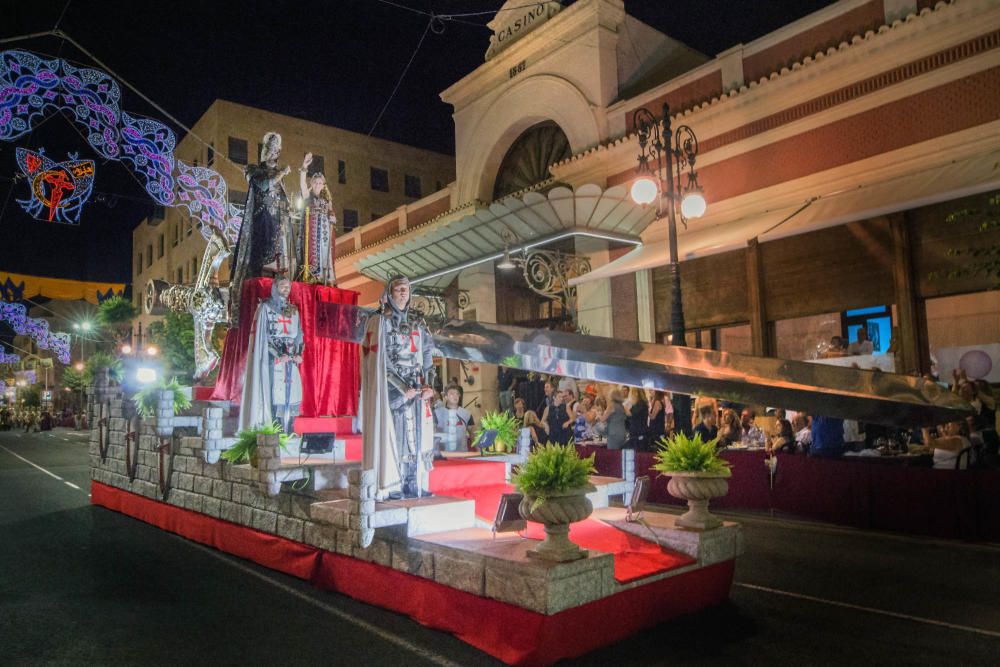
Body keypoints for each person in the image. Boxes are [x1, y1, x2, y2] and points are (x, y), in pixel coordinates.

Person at [362, 276, 436, 500]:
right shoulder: (379, 320)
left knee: (419, 437)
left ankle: (414, 482)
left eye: (406, 289)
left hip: (418, 386)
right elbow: (379, 359)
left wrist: (429, 385)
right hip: (393, 390)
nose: (403, 292)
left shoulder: (419, 323)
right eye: (398, 289)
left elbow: (427, 356)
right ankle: (395, 483)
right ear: (390, 292)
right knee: (398, 435)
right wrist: (402, 387)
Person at [229, 132, 297, 325]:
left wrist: (288, 209)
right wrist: (282, 173)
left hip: (277, 223)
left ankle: (277, 285)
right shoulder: (253, 169)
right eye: (269, 149)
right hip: (261, 222)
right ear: (264, 151)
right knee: (260, 260)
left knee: (279, 257)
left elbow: (283, 199)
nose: (272, 153)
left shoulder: (280, 176)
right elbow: (263, 185)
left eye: (275, 150)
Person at [239, 278, 305, 433]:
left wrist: (298, 353)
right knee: (274, 390)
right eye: (282, 286)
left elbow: (299, 335)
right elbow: (263, 337)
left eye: (288, 286)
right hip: (272, 359)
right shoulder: (265, 308)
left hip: (290, 358)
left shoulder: (293, 310)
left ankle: (289, 427)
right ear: (275, 288)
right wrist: (277, 355)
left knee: (292, 390)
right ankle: (274, 426)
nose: (286, 289)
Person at [298, 152, 337, 285]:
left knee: (326, 255)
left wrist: (331, 217)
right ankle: (312, 277)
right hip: (312, 236)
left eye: (320, 183)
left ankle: (326, 278)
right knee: (313, 257)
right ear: (312, 183)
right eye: (316, 182)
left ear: (323, 185)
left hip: (324, 237)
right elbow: (302, 183)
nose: (318, 184)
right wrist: (304, 167)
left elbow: (331, 217)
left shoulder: (326, 201)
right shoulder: (307, 197)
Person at [434, 383, 473, 453]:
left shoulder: (466, 414)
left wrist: (480, 451)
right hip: (443, 455)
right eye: (452, 394)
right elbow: (432, 434)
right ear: (445, 397)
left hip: (462, 455)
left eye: (457, 394)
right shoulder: (437, 413)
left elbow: (473, 434)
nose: (455, 396)